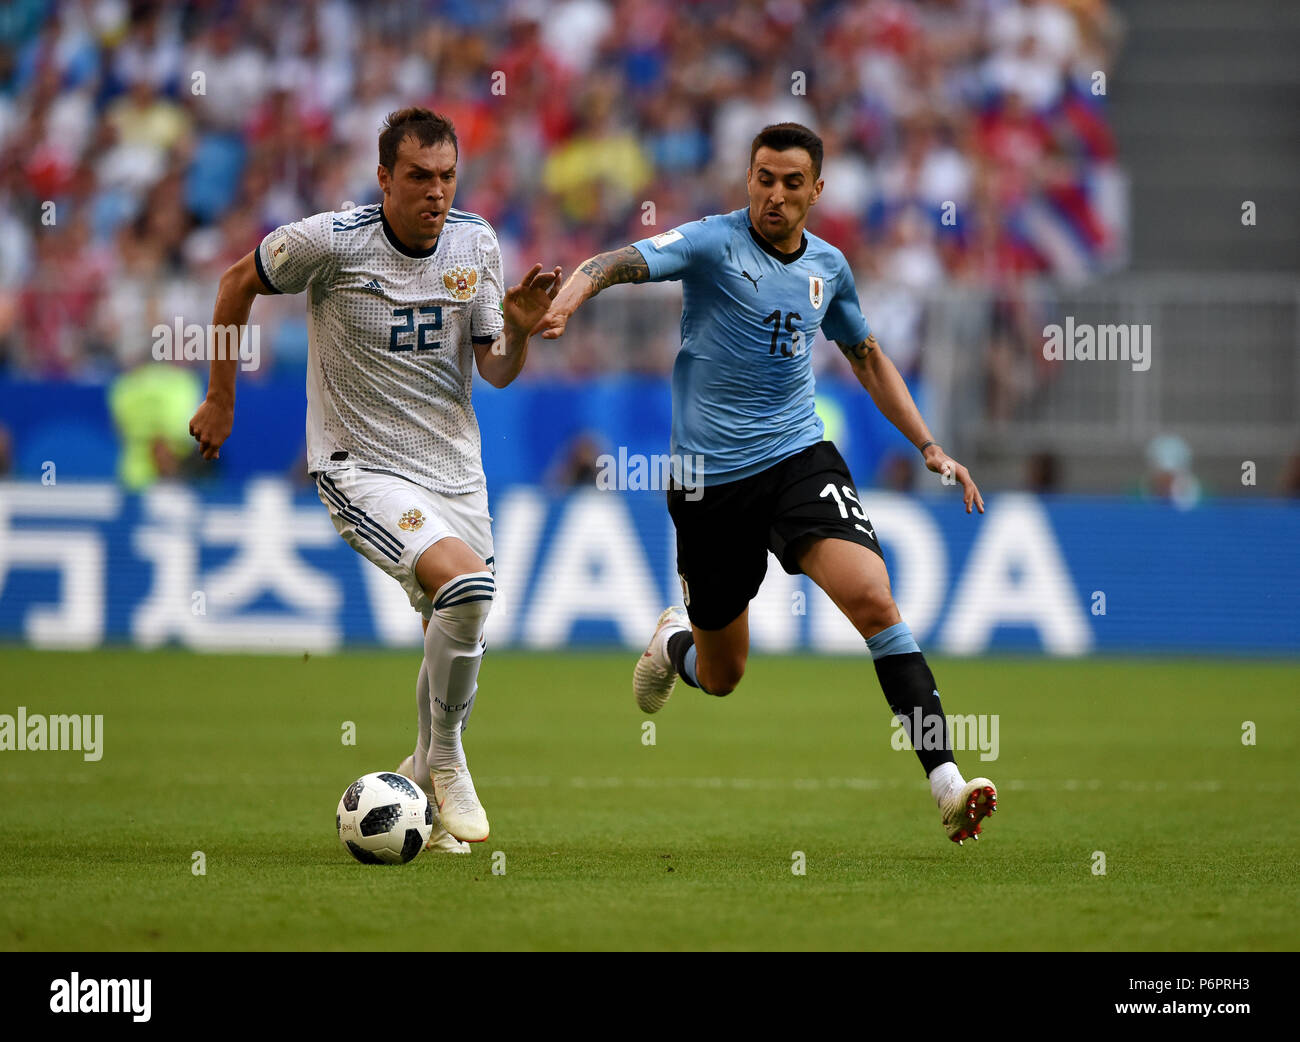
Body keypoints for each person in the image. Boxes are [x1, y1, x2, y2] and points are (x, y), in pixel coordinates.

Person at [537, 123, 996, 844]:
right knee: (723, 675)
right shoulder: (711, 244)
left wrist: (930, 445)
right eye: (762, 178)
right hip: (708, 486)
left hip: (797, 461)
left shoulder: (829, 267)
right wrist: (567, 300)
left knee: (875, 600)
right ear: (747, 177)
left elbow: (868, 355)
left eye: (790, 183)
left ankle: (946, 784)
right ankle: (672, 646)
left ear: (817, 190)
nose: (774, 195)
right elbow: (617, 261)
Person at [188, 108, 561, 852]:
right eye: (420, 177)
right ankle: (448, 759)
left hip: (455, 472)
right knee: (466, 589)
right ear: (384, 178)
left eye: (448, 176)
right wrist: (221, 397)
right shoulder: (330, 242)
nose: (437, 192)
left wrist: (517, 331)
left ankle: (419, 774)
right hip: (359, 466)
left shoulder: (476, 243)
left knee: (454, 623)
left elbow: (495, 370)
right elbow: (235, 285)